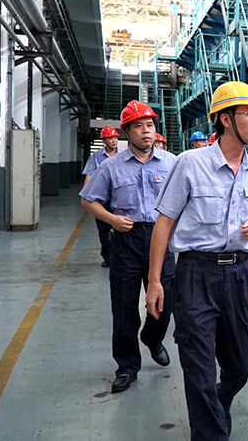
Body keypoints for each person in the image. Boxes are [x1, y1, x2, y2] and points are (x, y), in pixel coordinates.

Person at [145, 81, 248, 441]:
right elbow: (164, 222)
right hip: (196, 274)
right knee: (198, 370)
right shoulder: (190, 164)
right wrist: (155, 280)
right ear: (226, 119)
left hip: (238, 275)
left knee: (240, 367)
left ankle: (215, 406)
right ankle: (211, 432)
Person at [79, 101, 177, 393]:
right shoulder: (110, 167)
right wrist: (112, 219)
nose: (146, 131)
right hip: (127, 241)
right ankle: (127, 366)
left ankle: (152, 337)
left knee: (166, 302)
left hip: (161, 241)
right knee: (124, 308)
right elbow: (88, 199)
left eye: (150, 125)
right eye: (139, 126)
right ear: (126, 131)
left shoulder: (172, 163)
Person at [82, 125, 122, 267]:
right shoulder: (95, 157)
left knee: (121, 229)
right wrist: (88, 197)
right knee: (104, 229)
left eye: (115, 138)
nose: (114, 141)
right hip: (103, 200)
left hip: (120, 198)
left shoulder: (124, 155)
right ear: (104, 141)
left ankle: (120, 256)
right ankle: (107, 256)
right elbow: (89, 176)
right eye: (110, 138)